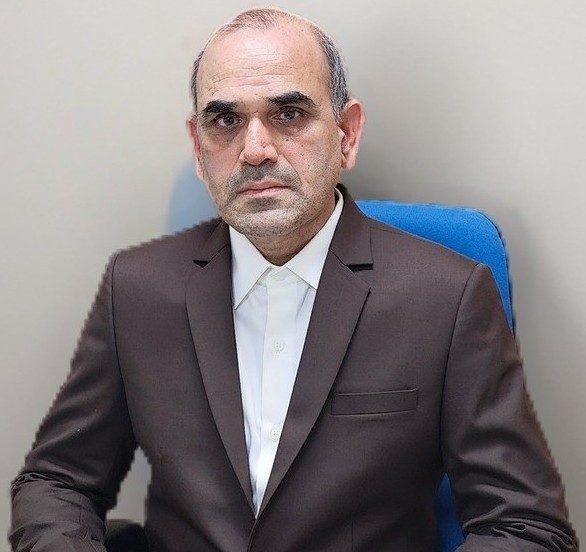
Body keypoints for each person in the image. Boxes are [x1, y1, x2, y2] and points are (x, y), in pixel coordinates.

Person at [10, 7, 578, 552]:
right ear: (199, 147)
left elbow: (526, 526)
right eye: (225, 121)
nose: (255, 150)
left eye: (288, 114)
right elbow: (57, 481)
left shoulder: (447, 297)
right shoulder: (136, 290)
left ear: (346, 134)